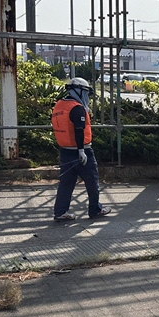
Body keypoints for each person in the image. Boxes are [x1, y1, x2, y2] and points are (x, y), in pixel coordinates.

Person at [51, 77, 111, 222]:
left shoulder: (59, 105)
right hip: (82, 152)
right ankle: (95, 210)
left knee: (66, 182)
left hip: (65, 150)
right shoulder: (77, 108)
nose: (87, 97)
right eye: (85, 93)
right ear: (79, 91)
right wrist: (81, 150)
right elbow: (79, 130)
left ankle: (60, 211)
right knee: (92, 181)